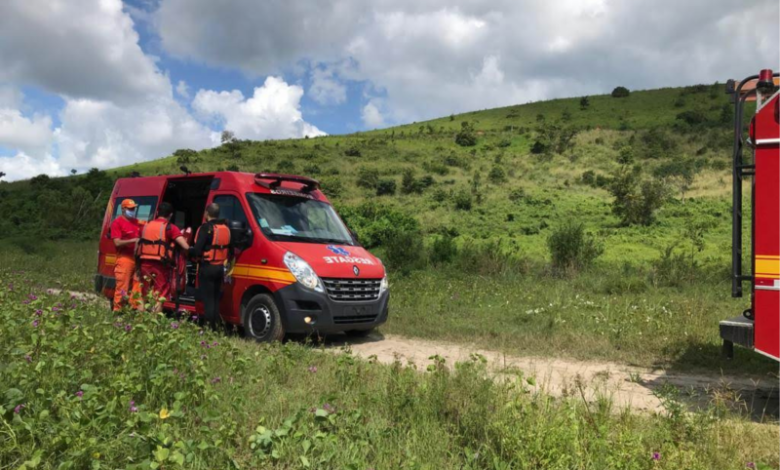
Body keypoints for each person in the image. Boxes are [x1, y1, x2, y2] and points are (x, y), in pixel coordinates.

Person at [136, 202, 190, 312]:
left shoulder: (145, 226)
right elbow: (185, 246)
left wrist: (137, 265)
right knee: (159, 296)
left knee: (143, 293)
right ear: (171, 215)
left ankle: (140, 318)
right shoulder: (170, 227)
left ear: (157, 212)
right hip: (160, 265)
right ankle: (154, 320)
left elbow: (137, 247)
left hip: (144, 263)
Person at [189, 203, 231, 329]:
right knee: (215, 299)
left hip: (207, 268)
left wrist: (188, 251)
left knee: (208, 300)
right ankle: (216, 326)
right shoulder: (226, 228)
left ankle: (209, 327)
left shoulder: (206, 228)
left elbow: (197, 250)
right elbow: (231, 248)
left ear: (207, 213)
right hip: (220, 268)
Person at [109, 199, 143, 311]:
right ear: (123, 209)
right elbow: (117, 242)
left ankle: (133, 311)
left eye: (134, 208)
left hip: (137, 259)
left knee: (136, 288)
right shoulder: (117, 222)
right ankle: (117, 312)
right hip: (125, 259)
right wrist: (133, 240)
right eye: (130, 208)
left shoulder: (137, 222)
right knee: (122, 288)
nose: (133, 210)